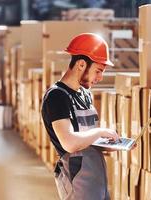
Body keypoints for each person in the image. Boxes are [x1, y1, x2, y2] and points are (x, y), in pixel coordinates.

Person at [41, 33, 119, 200]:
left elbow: (86, 138)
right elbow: (70, 143)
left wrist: (114, 144)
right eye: (98, 71)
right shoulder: (56, 97)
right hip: (78, 182)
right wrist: (101, 132)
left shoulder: (85, 95)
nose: (100, 77)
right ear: (81, 64)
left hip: (97, 179)